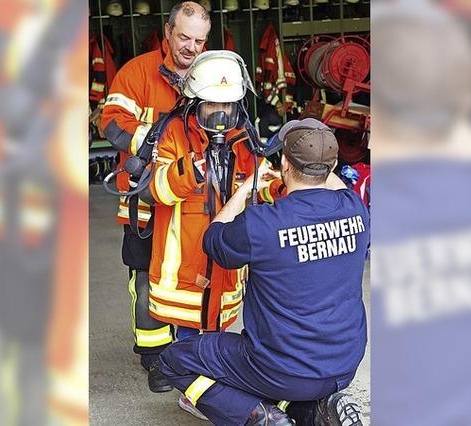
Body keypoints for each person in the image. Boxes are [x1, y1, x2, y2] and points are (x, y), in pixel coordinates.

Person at [159, 118, 369, 425]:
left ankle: (259, 417)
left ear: (284, 163)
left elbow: (213, 238)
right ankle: (319, 411)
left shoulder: (263, 222)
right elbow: (334, 183)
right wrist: (324, 162)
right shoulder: (355, 209)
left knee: (175, 360)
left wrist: (244, 191)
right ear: (333, 165)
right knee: (291, 381)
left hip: (279, 367)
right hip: (344, 363)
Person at [142, 50, 284, 414]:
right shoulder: (172, 132)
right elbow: (156, 189)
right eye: (210, 109)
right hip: (184, 261)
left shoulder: (245, 139)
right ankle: (194, 390)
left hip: (224, 260)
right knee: (187, 333)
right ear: (194, 104)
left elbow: (258, 185)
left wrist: (280, 188)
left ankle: (212, 390)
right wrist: (189, 169)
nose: (220, 118)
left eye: (228, 109)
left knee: (219, 333)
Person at [100, 1, 211, 393]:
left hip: (196, 204)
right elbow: (110, 120)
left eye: (199, 40)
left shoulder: (213, 75)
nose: (191, 47)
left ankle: (191, 348)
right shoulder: (138, 72)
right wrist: (159, 142)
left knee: (195, 275)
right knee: (146, 279)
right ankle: (154, 354)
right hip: (145, 203)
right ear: (167, 32)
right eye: (184, 37)